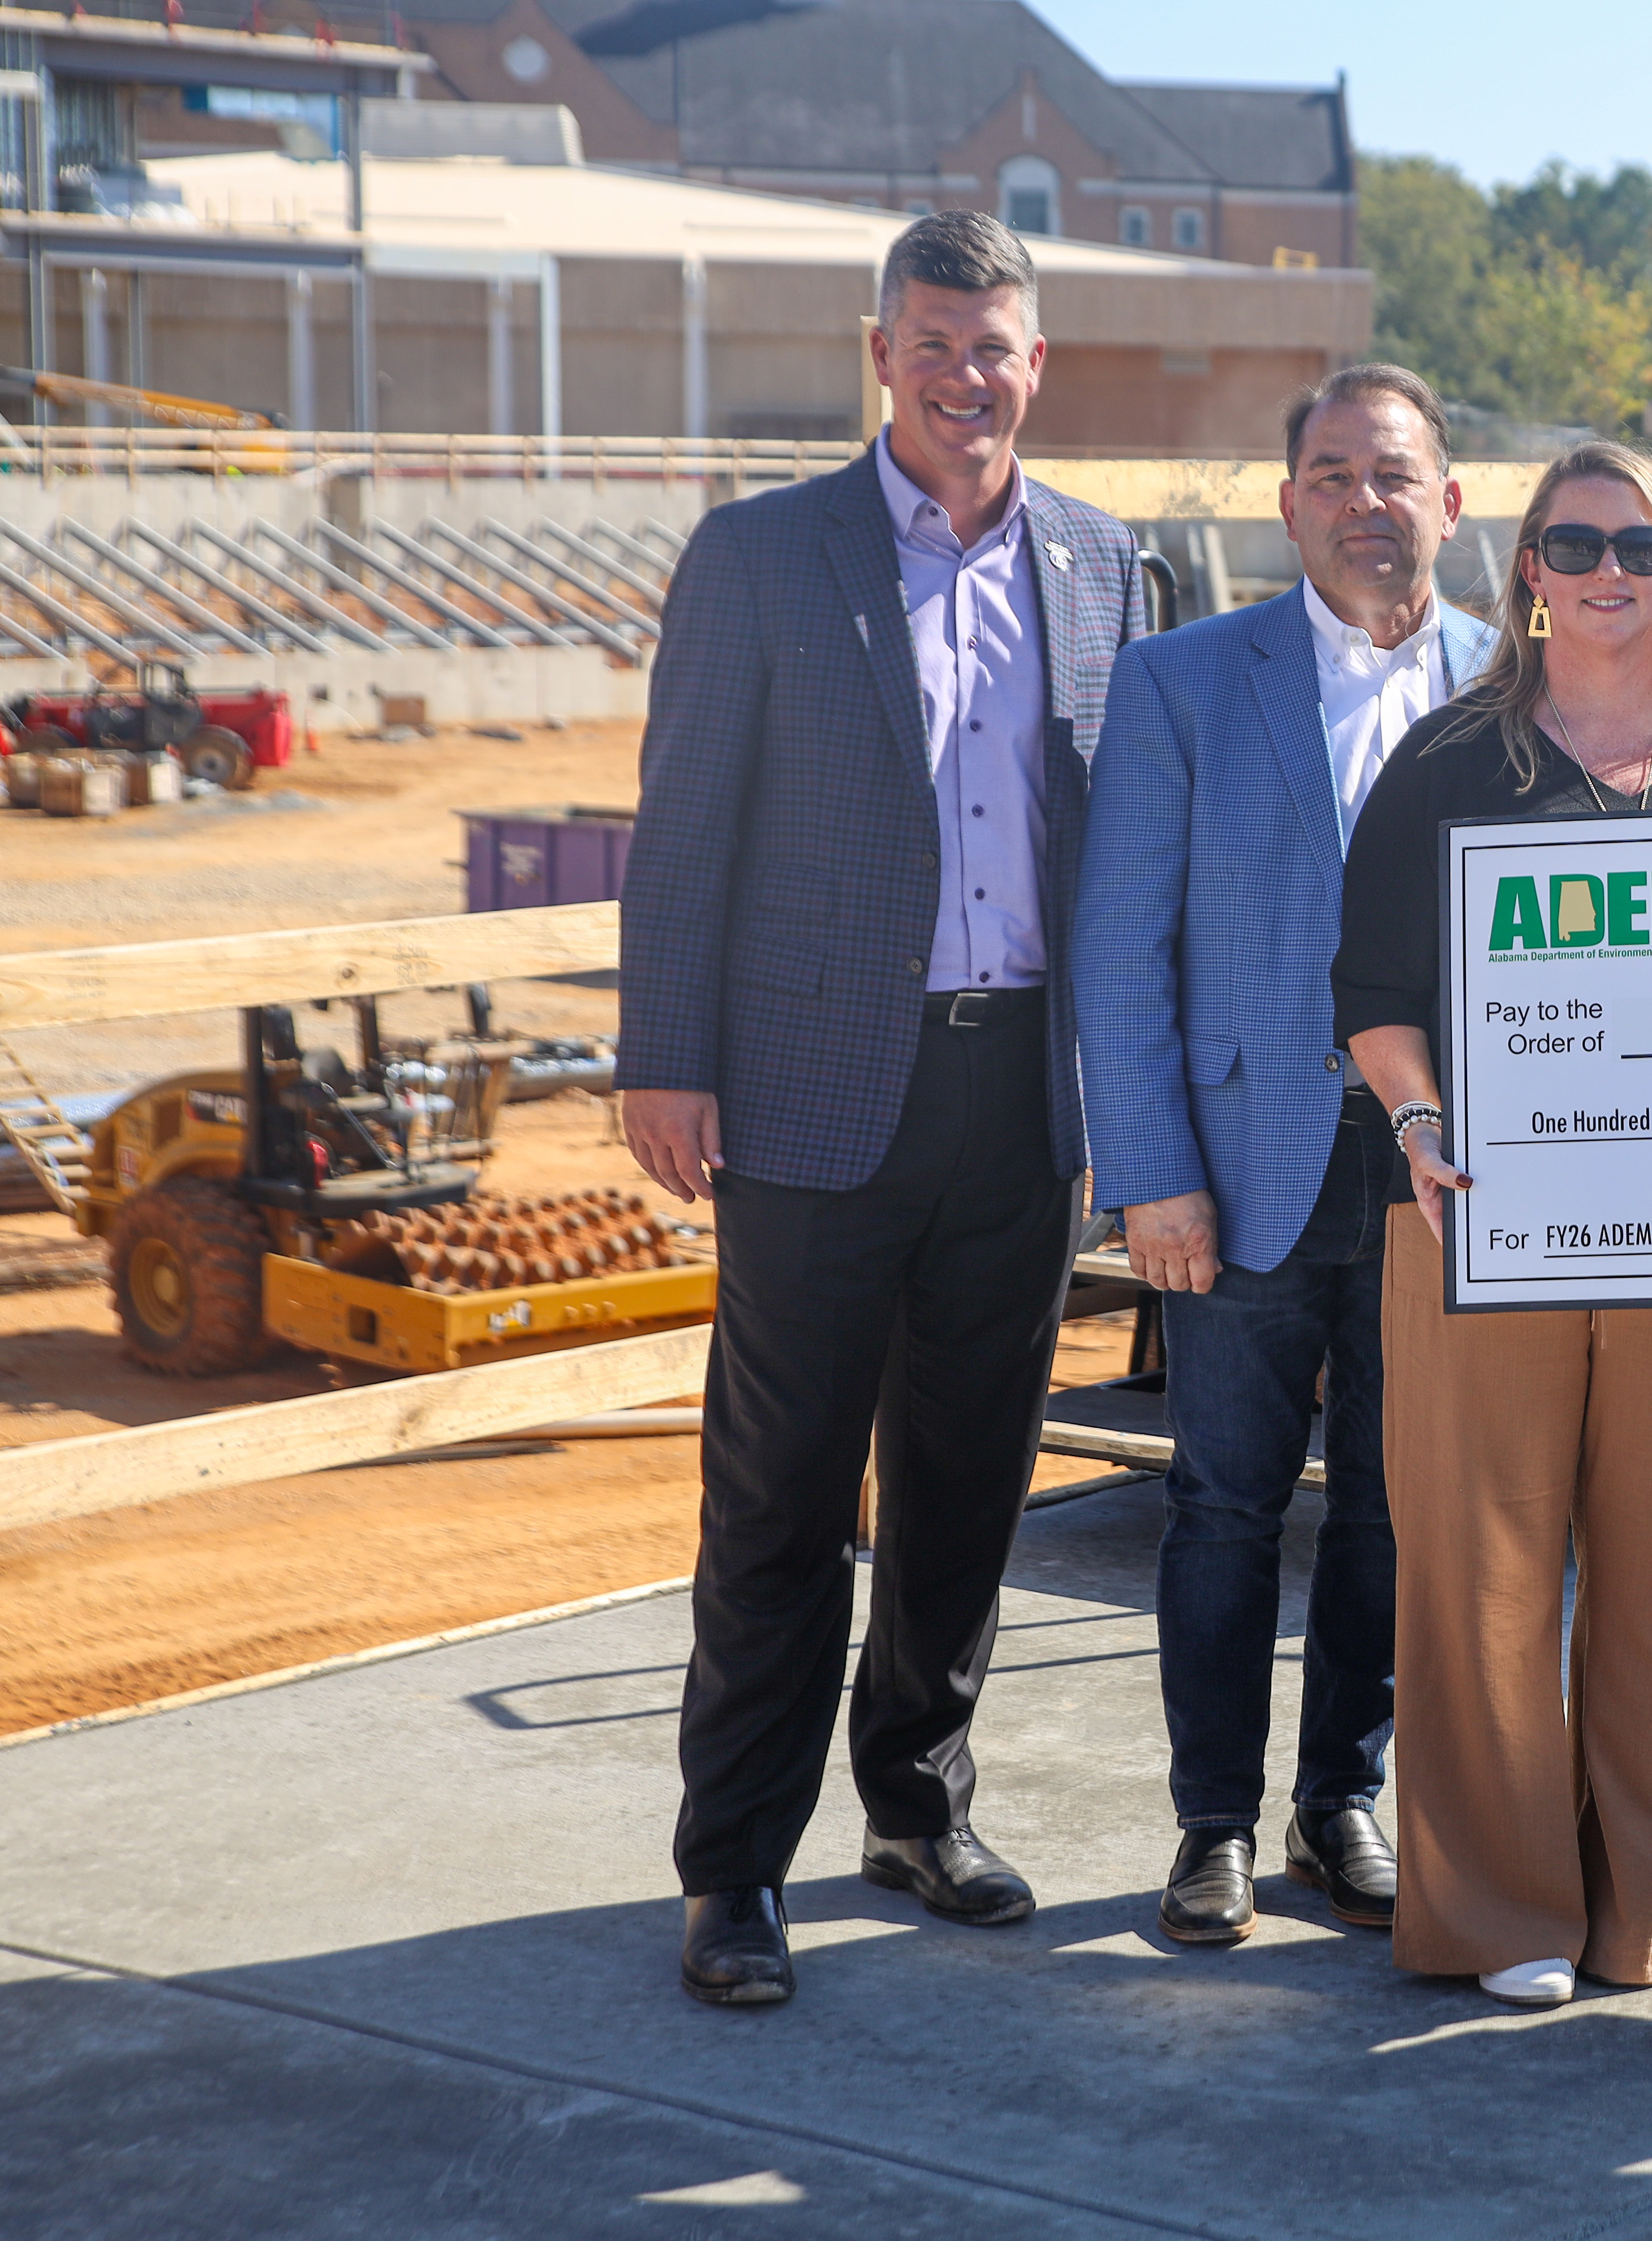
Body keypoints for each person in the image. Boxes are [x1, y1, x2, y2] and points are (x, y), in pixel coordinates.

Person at [621, 211, 1149, 2008]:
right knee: (779, 1496)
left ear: (1035, 364)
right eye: (933, 343)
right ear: (881, 356)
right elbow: (683, 825)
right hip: (812, 1100)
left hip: (1023, 1098)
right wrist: (665, 1053)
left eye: (993, 347)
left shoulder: (1107, 565)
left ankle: (919, 1808)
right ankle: (734, 1871)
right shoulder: (763, 556)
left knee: (968, 1480)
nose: (963, 376)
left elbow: (1122, 847)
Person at [1335, 440, 1652, 2008]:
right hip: (1477, 1235)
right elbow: (1375, 995)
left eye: (1643, 548)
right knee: (1477, 1581)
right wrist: (1421, 1129)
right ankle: (1499, 1918)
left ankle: (1643, 1919)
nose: (1613, 573)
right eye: (1579, 545)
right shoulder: (1448, 763)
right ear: (1528, 570)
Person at [1074, 363, 1498, 1947]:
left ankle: (1341, 1804)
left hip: (1440, 1172)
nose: (1364, 504)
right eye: (1332, 476)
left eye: (1393, 476)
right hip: (1244, 1162)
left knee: (1393, 1504)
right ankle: (1215, 1827)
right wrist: (1152, 1174)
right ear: (1287, 503)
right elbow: (1123, 948)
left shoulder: (1513, 680)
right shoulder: (1185, 681)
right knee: (1225, 1504)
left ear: (1450, 501)